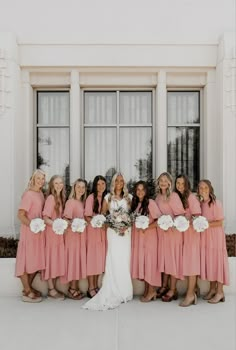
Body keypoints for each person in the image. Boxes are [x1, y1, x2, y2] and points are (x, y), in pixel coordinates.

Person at [82, 173, 133, 310]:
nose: (119, 183)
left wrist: (125, 225)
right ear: (113, 182)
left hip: (126, 234)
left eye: (122, 180)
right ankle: (112, 289)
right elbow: (104, 216)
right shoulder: (107, 198)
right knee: (113, 259)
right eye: (117, 180)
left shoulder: (129, 198)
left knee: (124, 260)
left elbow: (132, 216)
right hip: (112, 234)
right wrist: (113, 224)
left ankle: (124, 290)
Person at [15, 169, 46, 302]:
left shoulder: (40, 193)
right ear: (33, 179)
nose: (40, 181)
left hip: (38, 233)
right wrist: (32, 225)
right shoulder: (28, 194)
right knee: (26, 261)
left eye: (42, 179)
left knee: (36, 261)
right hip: (29, 232)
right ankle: (27, 290)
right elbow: (20, 215)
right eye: (38, 178)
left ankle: (28, 288)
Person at [155, 172, 185, 302]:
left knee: (172, 261)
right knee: (165, 260)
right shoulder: (157, 197)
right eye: (161, 180)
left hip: (173, 234)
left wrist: (171, 222)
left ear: (169, 183)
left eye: (165, 180)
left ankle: (173, 290)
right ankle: (164, 286)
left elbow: (180, 215)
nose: (163, 182)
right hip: (162, 234)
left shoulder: (173, 196)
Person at [198, 179, 229, 303]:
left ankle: (220, 292)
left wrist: (205, 224)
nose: (203, 190)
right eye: (200, 188)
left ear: (210, 188)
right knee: (210, 262)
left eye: (205, 187)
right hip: (206, 237)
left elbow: (220, 222)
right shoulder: (201, 204)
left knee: (218, 262)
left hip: (215, 237)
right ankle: (212, 289)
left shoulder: (216, 203)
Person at [131, 181, 162, 302]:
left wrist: (147, 227)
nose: (140, 192)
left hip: (149, 238)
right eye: (138, 190)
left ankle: (152, 290)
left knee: (150, 263)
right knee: (144, 263)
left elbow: (158, 220)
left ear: (146, 191)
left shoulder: (151, 203)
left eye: (142, 190)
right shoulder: (135, 204)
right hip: (139, 239)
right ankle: (147, 289)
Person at [174, 174, 201, 307]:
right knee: (187, 263)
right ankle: (194, 290)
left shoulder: (191, 197)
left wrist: (185, 220)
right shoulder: (177, 197)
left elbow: (197, 216)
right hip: (182, 236)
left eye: (182, 183)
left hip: (191, 235)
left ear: (187, 184)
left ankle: (190, 295)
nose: (179, 186)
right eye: (177, 183)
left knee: (191, 264)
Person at [61, 179, 87, 300]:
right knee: (72, 261)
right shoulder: (71, 202)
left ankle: (75, 287)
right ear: (74, 188)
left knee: (77, 262)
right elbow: (65, 219)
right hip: (72, 237)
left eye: (83, 187)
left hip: (80, 237)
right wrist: (75, 224)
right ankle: (71, 289)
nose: (81, 189)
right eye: (78, 187)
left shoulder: (81, 202)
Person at [42, 175, 66, 300]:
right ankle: (51, 290)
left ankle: (54, 288)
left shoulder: (60, 198)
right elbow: (45, 218)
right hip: (51, 234)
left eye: (61, 183)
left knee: (56, 260)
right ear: (52, 185)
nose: (59, 185)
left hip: (58, 233)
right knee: (51, 260)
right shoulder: (51, 198)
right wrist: (56, 224)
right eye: (56, 183)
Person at [84, 176, 107, 298]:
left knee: (99, 260)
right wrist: (96, 222)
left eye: (103, 183)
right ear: (95, 186)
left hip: (102, 234)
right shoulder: (91, 198)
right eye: (98, 184)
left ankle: (96, 286)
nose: (101, 186)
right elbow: (87, 216)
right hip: (93, 233)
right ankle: (90, 287)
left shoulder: (106, 198)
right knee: (92, 261)